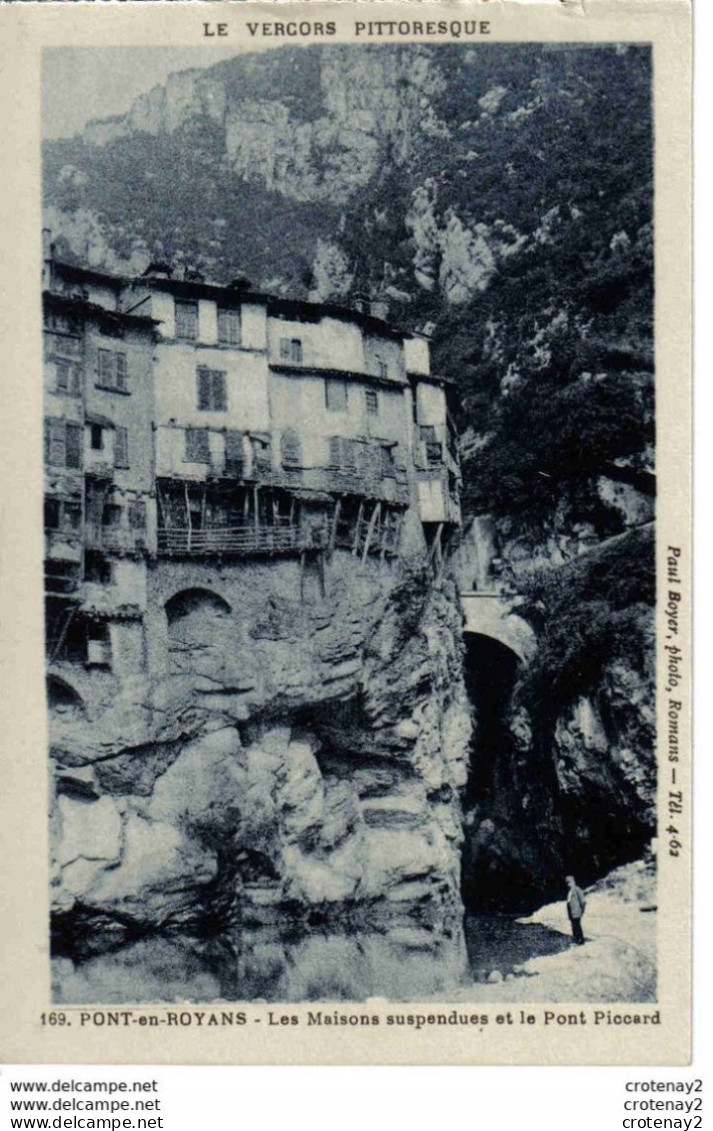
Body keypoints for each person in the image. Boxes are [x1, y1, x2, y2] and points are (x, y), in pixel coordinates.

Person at [565, 875, 587, 944]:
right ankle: (577, 940)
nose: (569, 884)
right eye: (567, 883)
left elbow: (583, 901)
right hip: (572, 913)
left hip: (577, 912)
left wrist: (582, 910)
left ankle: (580, 940)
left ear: (573, 882)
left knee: (577, 926)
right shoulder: (570, 891)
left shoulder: (577, 889)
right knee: (574, 926)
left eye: (570, 882)